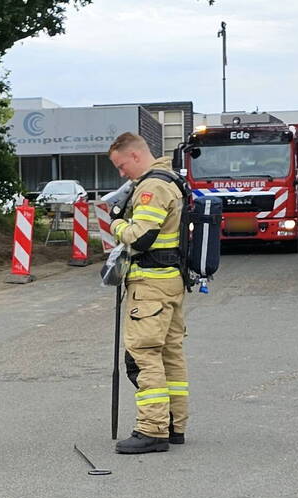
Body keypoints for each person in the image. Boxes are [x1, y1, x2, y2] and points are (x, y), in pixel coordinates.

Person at [107, 132, 189, 454]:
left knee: (144, 356)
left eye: (121, 165)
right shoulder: (171, 180)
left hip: (150, 287)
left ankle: (152, 430)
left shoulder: (151, 188)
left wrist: (115, 224)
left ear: (136, 156)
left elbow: (140, 238)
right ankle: (174, 425)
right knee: (170, 355)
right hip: (170, 281)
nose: (121, 173)